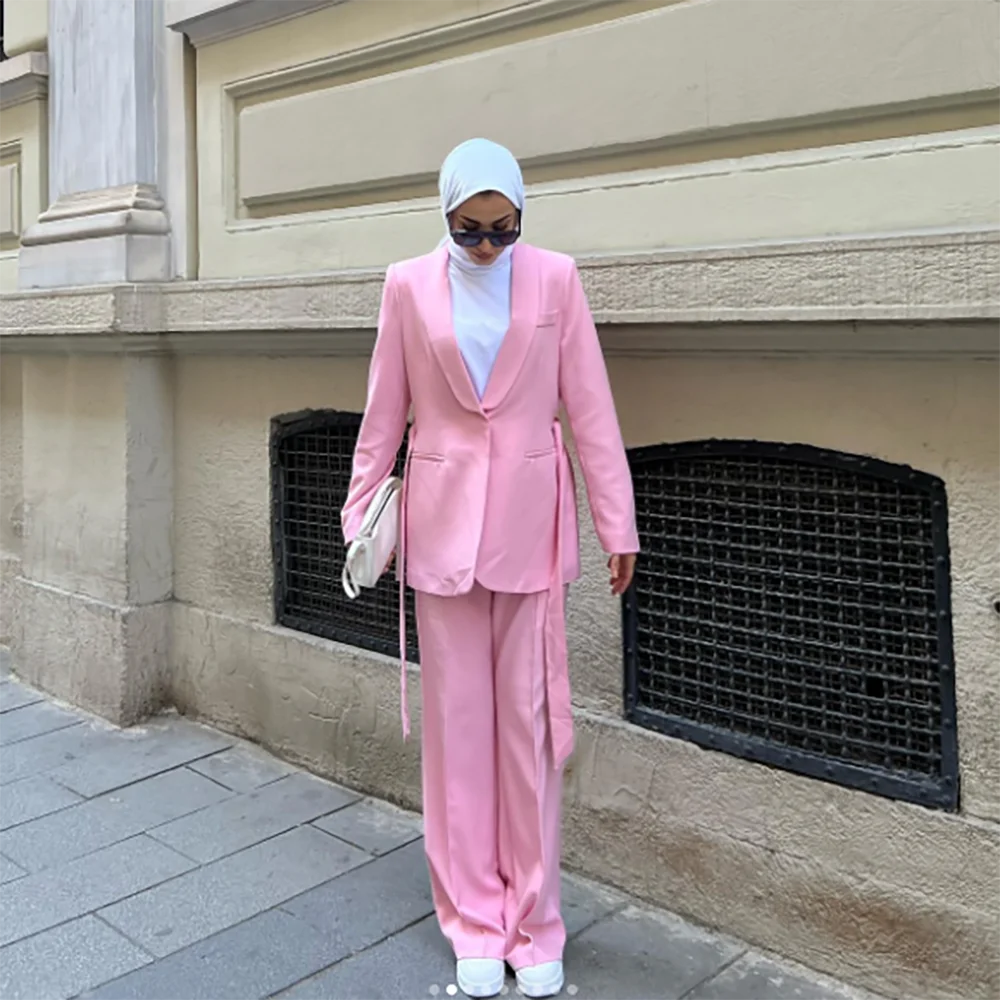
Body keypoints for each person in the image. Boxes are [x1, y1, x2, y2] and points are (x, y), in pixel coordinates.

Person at [342, 138, 638, 999]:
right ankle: (472, 916)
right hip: (438, 538)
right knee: (457, 736)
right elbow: (382, 411)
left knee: (530, 732)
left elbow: (589, 405)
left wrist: (617, 521)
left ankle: (534, 921)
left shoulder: (554, 278)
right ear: (444, 216)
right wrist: (360, 517)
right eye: (468, 230)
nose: (485, 248)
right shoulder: (406, 285)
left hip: (530, 532)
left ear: (519, 217)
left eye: (502, 230)